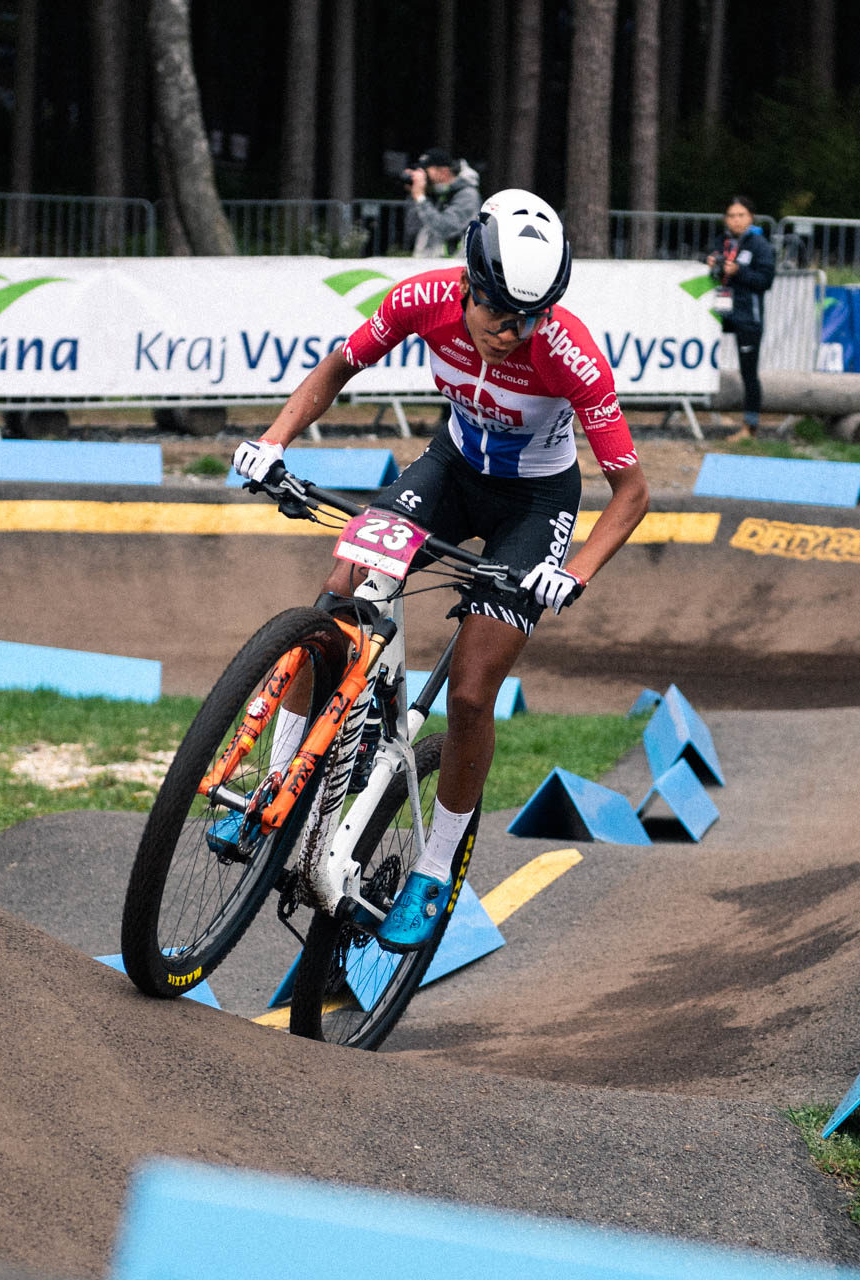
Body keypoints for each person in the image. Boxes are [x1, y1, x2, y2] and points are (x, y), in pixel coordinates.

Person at [232, 190, 649, 950]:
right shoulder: (422, 300)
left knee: (471, 692)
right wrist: (274, 440)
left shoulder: (570, 353)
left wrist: (576, 572)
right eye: (497, 309)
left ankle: (437, 858)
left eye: (532, 315)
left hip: (535, 504)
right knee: (337, 595)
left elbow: (633, 492)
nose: (512, 330)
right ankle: (278, 780)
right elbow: (337, 368)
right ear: (468, 281)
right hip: (452, 470)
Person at [705, 196, 775, 436]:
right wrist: (709, 262)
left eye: (740, 215)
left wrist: (739, 271)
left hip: (748, 317)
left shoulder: (759, 245)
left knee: (748, 372)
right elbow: (704, 261)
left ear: (750, 217)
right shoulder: (720, 241)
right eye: (731, 215)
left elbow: (765, 281)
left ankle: (750, 425)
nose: (735, 220)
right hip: (720, 312)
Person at [408, 147, 481, 257]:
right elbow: (412, 229)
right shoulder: (439, 192)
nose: (424, 177)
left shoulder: (467, 195)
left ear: (443, 172)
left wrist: (421, 199)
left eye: (426, 172)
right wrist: (416, 194)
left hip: (452, 266)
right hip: (430, 263)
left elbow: (445, 228)